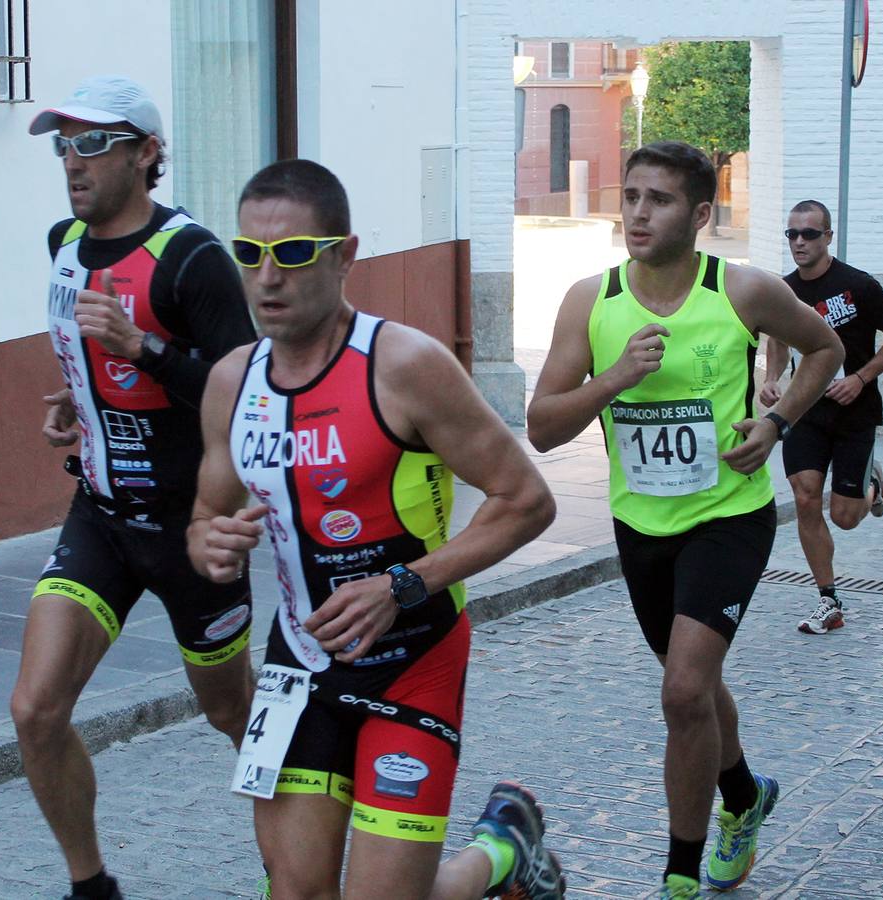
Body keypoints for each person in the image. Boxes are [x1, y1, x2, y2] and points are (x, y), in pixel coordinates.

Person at [188, 159, 565, 900]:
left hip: (412, 659)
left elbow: (527, 499)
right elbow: (207, 515)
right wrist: (209, 544)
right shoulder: (232, 380)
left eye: (293, 254)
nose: (268, 277)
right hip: (298, 664)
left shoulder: (404, 366)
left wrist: (403, 585)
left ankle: (499, 851)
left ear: (344, 254)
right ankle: (506, 850)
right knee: (296, 892)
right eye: (250, 253)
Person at [526, 142, 844, 898]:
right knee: (694, 689)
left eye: (659, 199)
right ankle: (744, 796)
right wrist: (614, 378)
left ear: (700, 214)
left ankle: (678, 874)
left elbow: (824, 350)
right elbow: (540, 426)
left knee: (680, 690)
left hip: (728, 517)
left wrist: (775, 426)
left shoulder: (744, 291)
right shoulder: (590, 301)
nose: (638, 212)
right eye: (631, 195)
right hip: (641, 527)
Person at [11, 75, 258, 900]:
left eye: (91, 143)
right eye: (63, 145)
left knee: (234, 718)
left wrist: (143, 348)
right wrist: (73, 404)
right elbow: (95, 367)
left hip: (193, 530)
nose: (71, 163)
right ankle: (94, 889)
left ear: (146, 154)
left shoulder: (193, 258)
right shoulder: (63, 243)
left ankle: (292, 871)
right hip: (104, 517)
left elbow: (245, 399)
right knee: (35, 711)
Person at [759, 200, 883, 634]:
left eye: (809, 234)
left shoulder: (858, 285)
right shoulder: (784, 291)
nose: (799, 242)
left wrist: (862, 378)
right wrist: (772, 378)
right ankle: (828, 600)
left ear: (828, 237)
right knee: (805, 495)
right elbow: (777, 338)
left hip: (854, 410)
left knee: (845, 517)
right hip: (804, 410)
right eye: (791, 234)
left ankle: (872, 484)